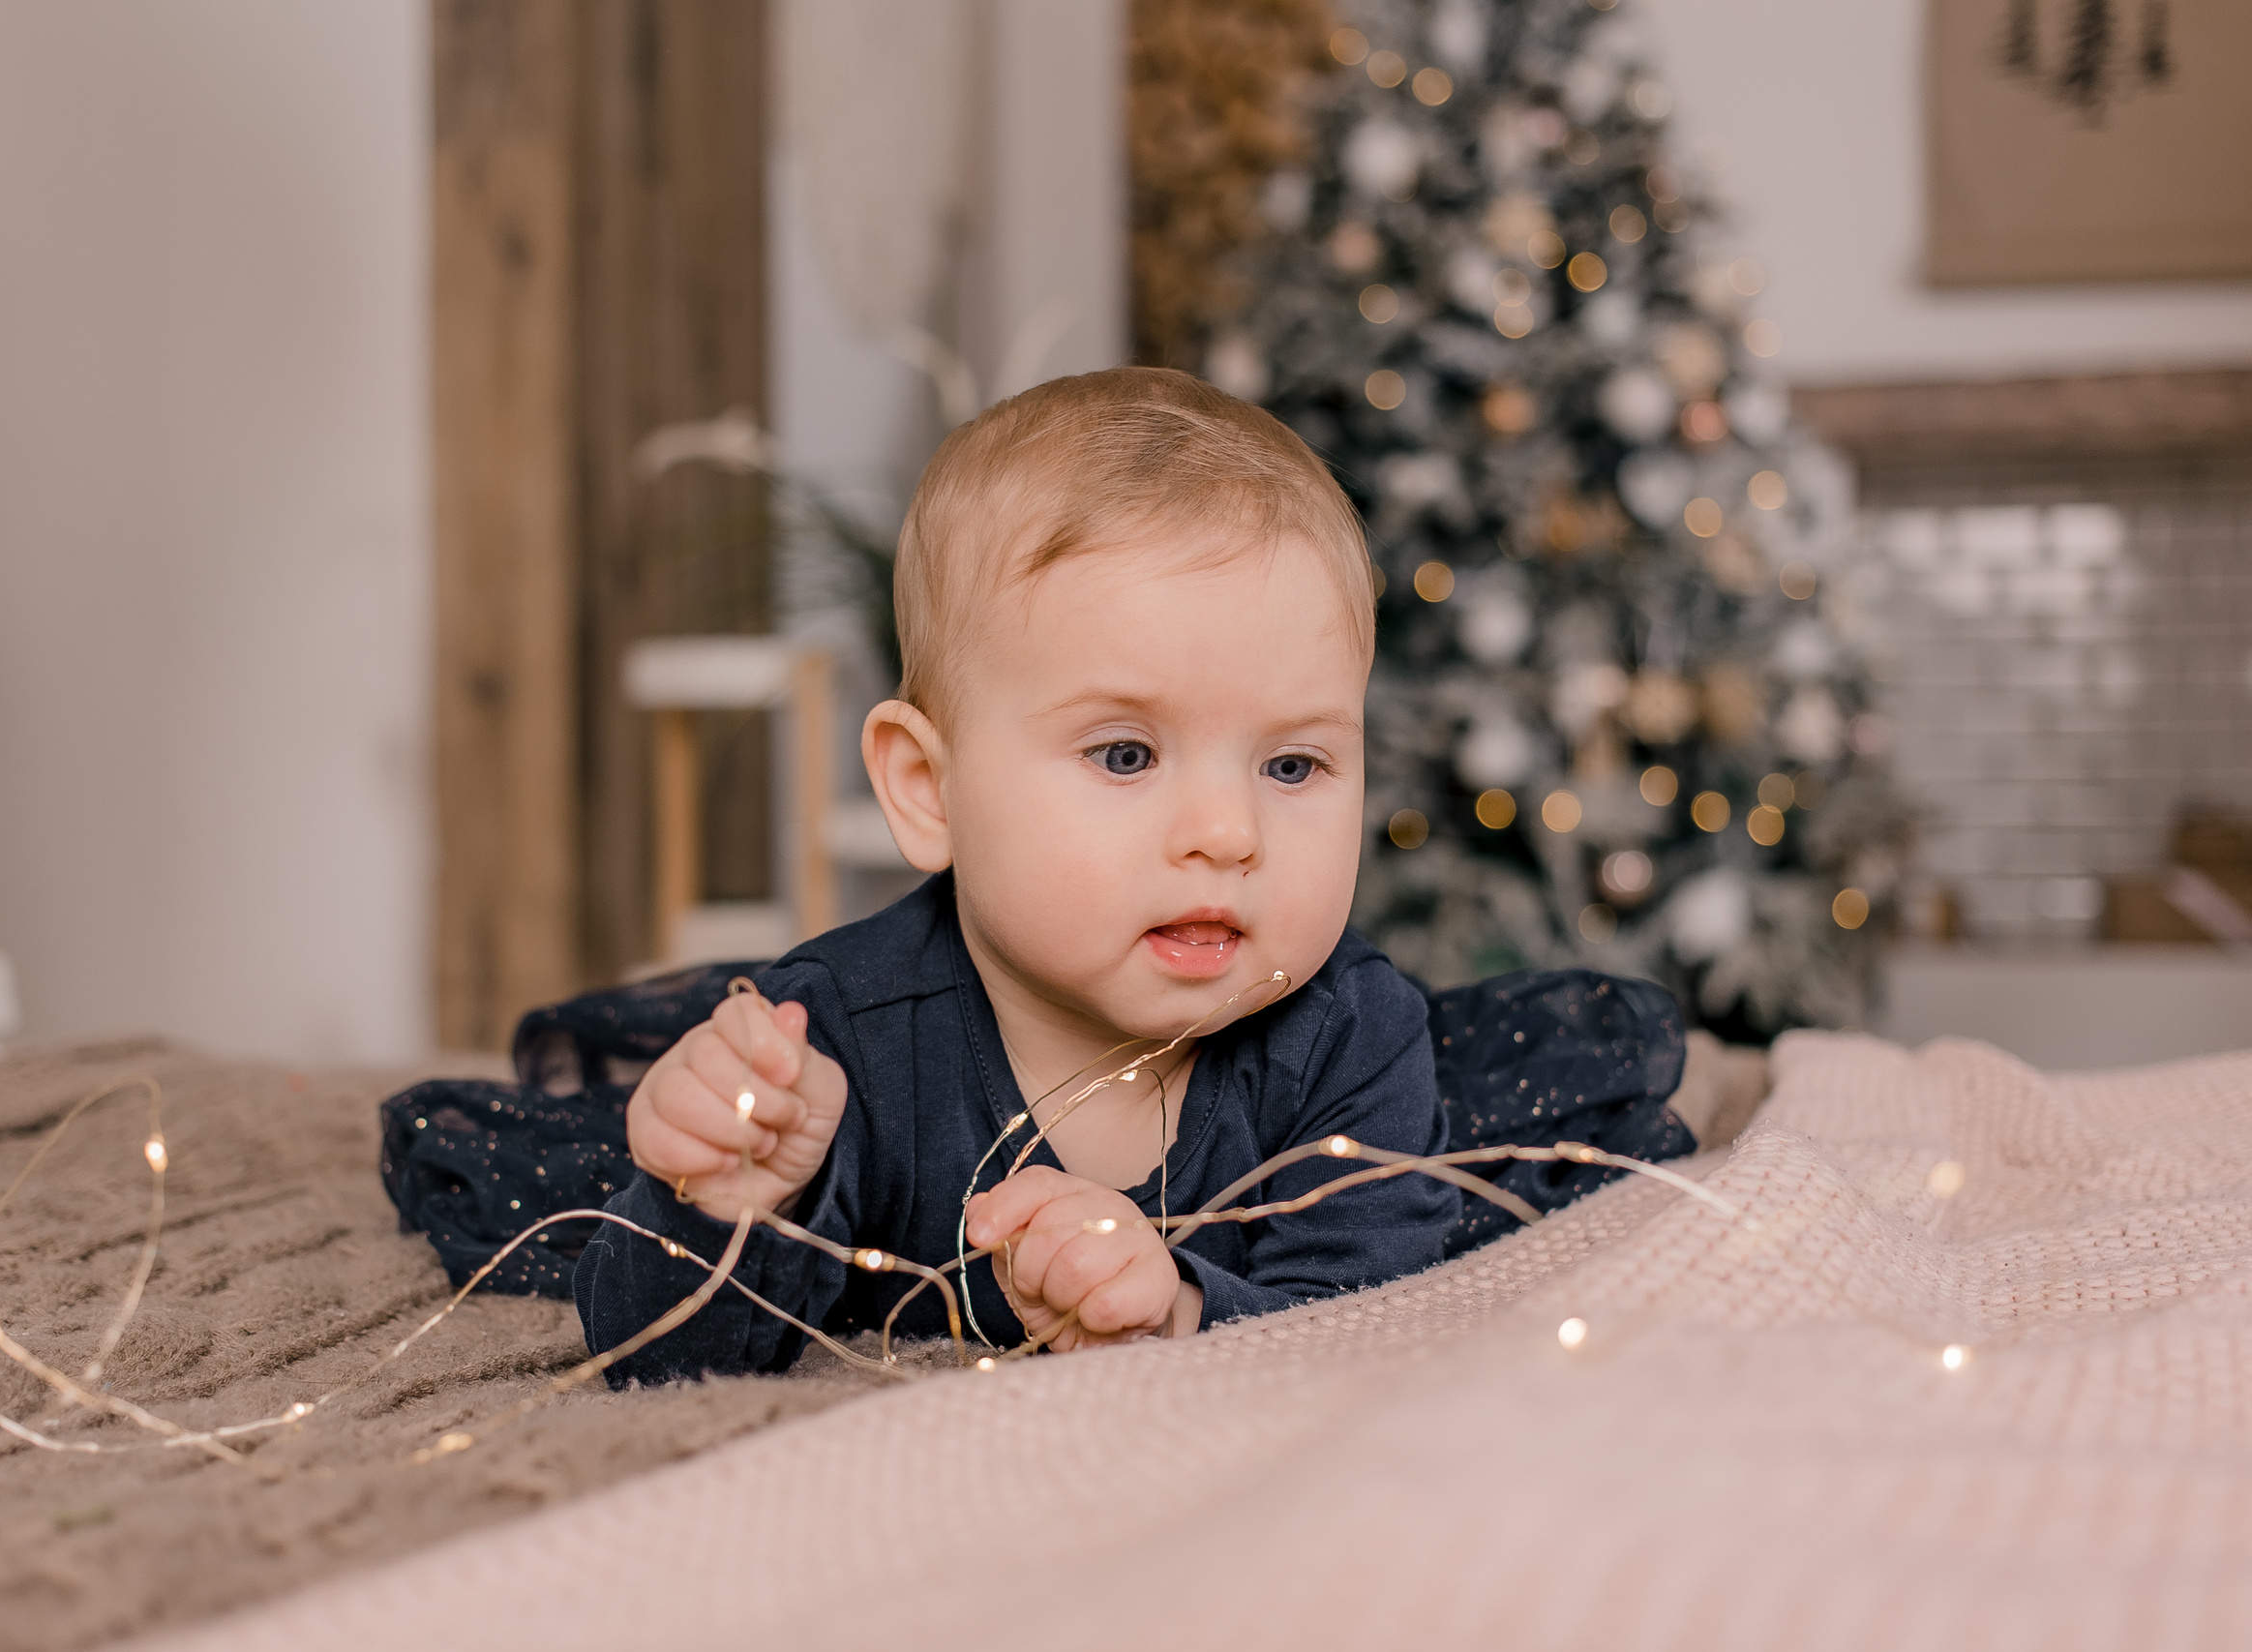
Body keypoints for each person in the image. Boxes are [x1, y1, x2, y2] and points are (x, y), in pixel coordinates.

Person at [381, 367, 1713, 1381]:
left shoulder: (1347, 1036)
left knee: (1514, 1161)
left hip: (1381, 1130)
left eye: (1294, 768)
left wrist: (1184, 1308)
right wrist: (729, 1202)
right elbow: (664, 1362)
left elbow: (1360, 1325)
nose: (1228, 835)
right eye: (1127, 754)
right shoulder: (845, 1042)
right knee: (628, 1161)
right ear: (928, 789)